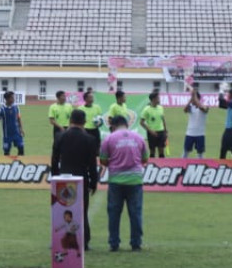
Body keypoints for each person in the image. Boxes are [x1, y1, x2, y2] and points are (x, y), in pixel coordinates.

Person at [51, 108, 100, 248]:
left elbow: (54, 160)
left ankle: (59, 238)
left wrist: (55, 177)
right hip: (81, 179)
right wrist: (93, 182)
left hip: (63, 179)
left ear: (70, 120)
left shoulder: (60, 136)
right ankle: (84, 241)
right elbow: (92, 165)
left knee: (62, 210)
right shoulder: (90, 139)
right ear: (84, 122)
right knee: (82, 211)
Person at [100, 115, 148, 252]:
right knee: (135, 213)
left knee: (114, 213)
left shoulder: (109, 138)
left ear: (113, 126)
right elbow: (145, 159)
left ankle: (114, 243)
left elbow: (103, 160)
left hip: (116, 180)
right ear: (126, 124)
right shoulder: (139, 138)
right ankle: (136, 243)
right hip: (135, 180)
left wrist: (113, 162)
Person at [0, 90, 25, 155]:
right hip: (7, 135)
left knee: (21, 149)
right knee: (6, 153)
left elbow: (19, 118)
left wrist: (21, 129)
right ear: (7, 99)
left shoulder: (16, 107)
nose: (14, 99)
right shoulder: (1, 109)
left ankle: (19, 161)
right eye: (12, 97)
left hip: (17, 134)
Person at [140, 91, 168, 158]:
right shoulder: (146, 110)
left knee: (161, 151)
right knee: (152, 152)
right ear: (153, 99)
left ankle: (162, 164)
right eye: (158, 98)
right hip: (152, 133)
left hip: (161, 132)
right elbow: (141, 122)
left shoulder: (160, 108)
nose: (159, 99)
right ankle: (152, 164)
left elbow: (163, 119)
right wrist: (150, 131)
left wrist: (165, 130)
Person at [182, 86, 208, 158]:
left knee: (200, 154)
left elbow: (202, 108)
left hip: (200, 134)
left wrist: (194, 95)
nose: (192, 101)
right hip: (190, 133)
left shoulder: (205, 107)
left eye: (193, 99)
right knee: (185, 153)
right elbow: (184, 110)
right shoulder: (191, 107)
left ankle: (200, 164)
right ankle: (183, 164)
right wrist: (192, 97)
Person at [81, 88, 105, 152]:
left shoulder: (97, 107)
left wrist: (99, 123)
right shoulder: (81, 108)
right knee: (85, 148)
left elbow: (100, 118)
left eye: (92, 97)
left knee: (96, 147)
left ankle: (95, 157)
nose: (92, 99)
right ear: (85, 99)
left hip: (95, 129)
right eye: (90, 97)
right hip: (85, 130)